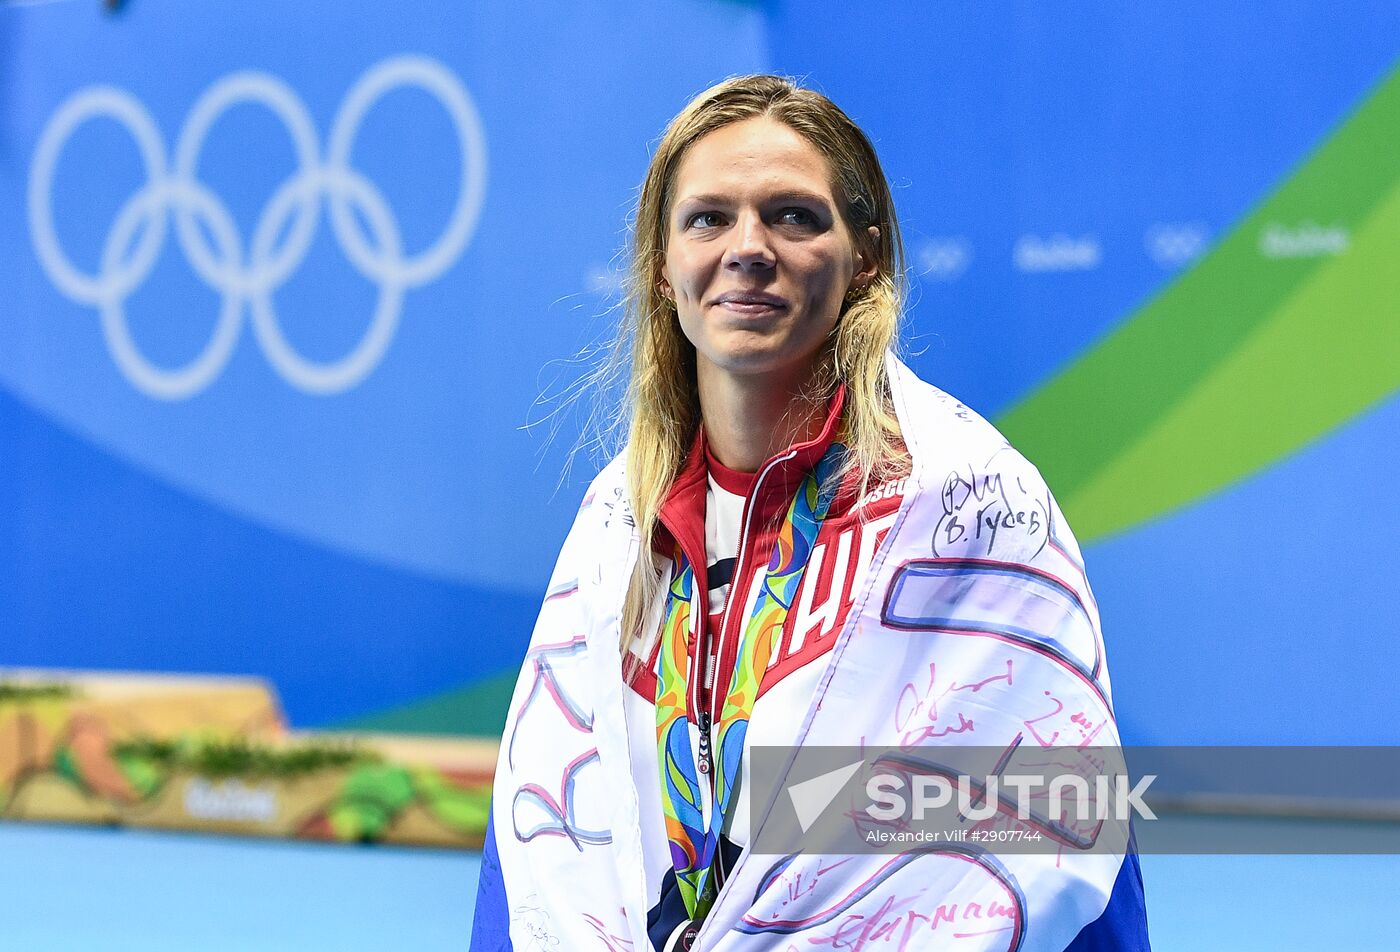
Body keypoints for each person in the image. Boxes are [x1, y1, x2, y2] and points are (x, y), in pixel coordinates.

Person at [472, 75, 1149, 951]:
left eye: (794, 216)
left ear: (864, 256)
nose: (748, 248)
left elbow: (1041, 823)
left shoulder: (963, 496)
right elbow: (542, 838)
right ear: (662, 262)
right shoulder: (619, 522)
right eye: (708, 218)